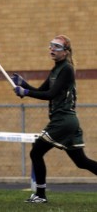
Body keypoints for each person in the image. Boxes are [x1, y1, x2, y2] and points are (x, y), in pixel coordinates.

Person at [13, 35, 97, 204]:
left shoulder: (66, 69)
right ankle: (40, 195)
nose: (52, 49)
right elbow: (41, 90)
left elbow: (50, 95)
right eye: (51, 45)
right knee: (81, 162)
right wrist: (24, 85)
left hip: (63, 120)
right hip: (67, 122)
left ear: (66, 52)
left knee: (36, 151)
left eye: (57, 47)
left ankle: (41, 195)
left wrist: (26, 93)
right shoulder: (56, 69)